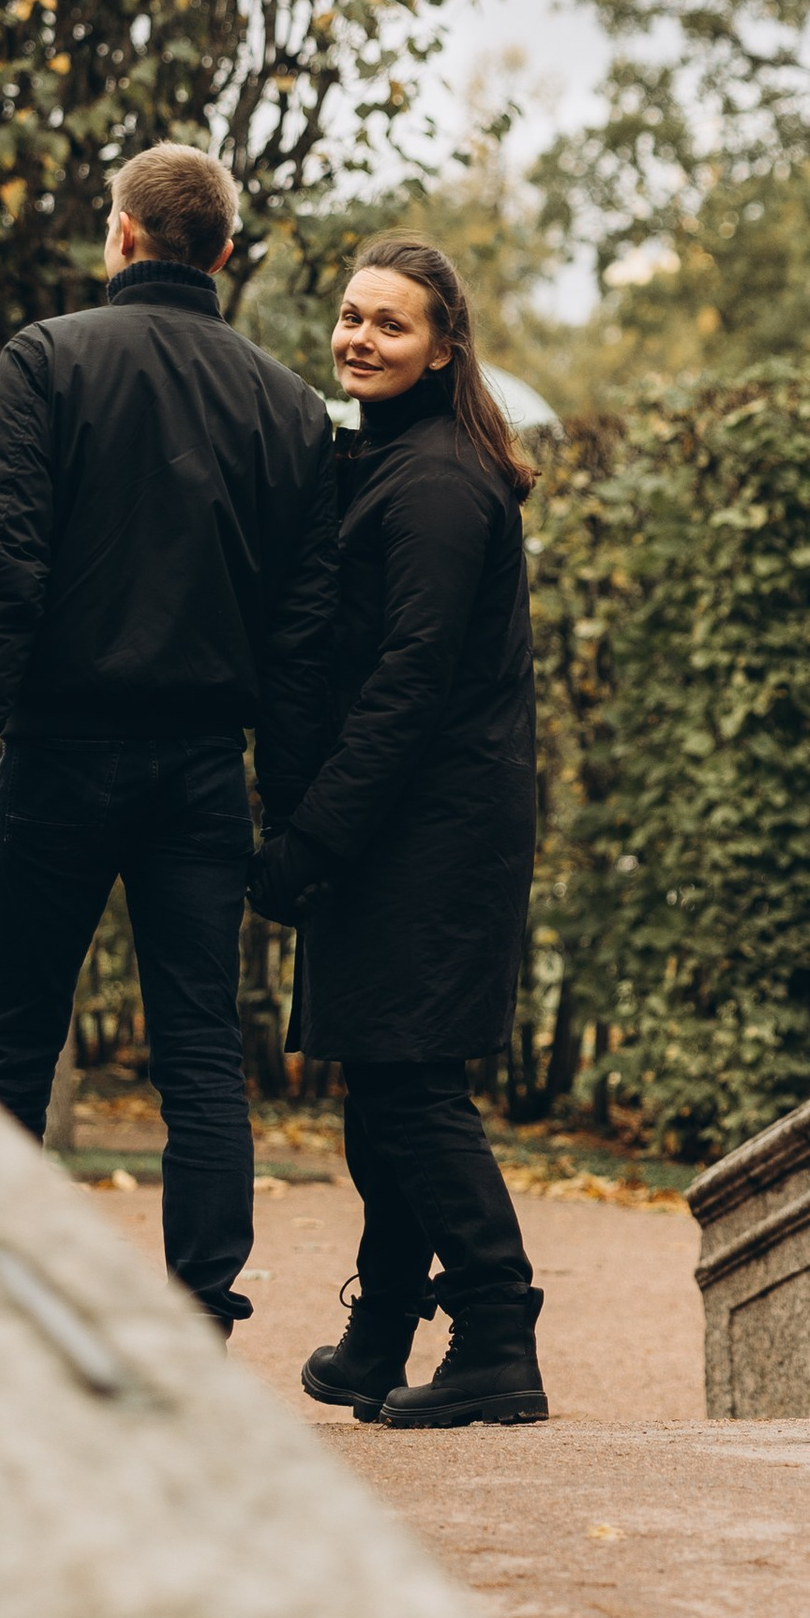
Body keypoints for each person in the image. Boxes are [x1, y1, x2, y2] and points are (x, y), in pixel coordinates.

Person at [0, 143, 336, 1335]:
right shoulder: (288, 408)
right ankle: (201, 1297)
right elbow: (303, 631)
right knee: (200, 1050)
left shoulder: (46, 360)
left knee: (12, 1037)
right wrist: (291, 804)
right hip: (203, 769)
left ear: (119, 237)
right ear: (222, 253)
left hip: (59, 754)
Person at [247, 236, 548, 1429]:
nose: (359, 338)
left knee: (412, 1091)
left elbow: (407, 687)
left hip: (430, 832)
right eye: (350, 316)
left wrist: (310, 841)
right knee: (384, 1090)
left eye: (390, 325)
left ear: (441, 350)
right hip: (405, 826)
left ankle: (495, 1333)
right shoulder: (385, 462)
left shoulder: (433, 485)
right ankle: (380, 1333)